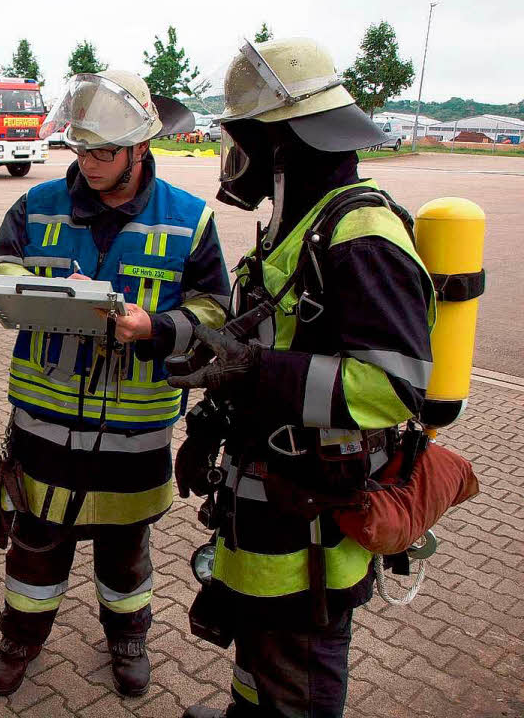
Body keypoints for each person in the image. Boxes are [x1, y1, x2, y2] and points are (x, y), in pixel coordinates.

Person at [170, 38, 435, 718]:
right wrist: (208, 422)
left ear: (284, 143)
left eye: (244, 138)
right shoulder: (298, 228)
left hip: (311, 518)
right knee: (258, 646)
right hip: (264, 497)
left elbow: (394, 386)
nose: (237, 157)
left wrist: (257, 371)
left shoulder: (362, 233)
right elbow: (261, 341)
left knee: (299, 673)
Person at [0, 70, 230, 697]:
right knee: (36, 543)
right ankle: (21, 636)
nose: (87, 163)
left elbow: (215, 313)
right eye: (80, 149)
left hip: (135, 429)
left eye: (102, 151)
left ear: (141, 148)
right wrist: (22, 286)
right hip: (41, 421)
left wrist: (156, 326)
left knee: (125, 545)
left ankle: (128, 636)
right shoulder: (34, 206)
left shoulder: (191, 220)